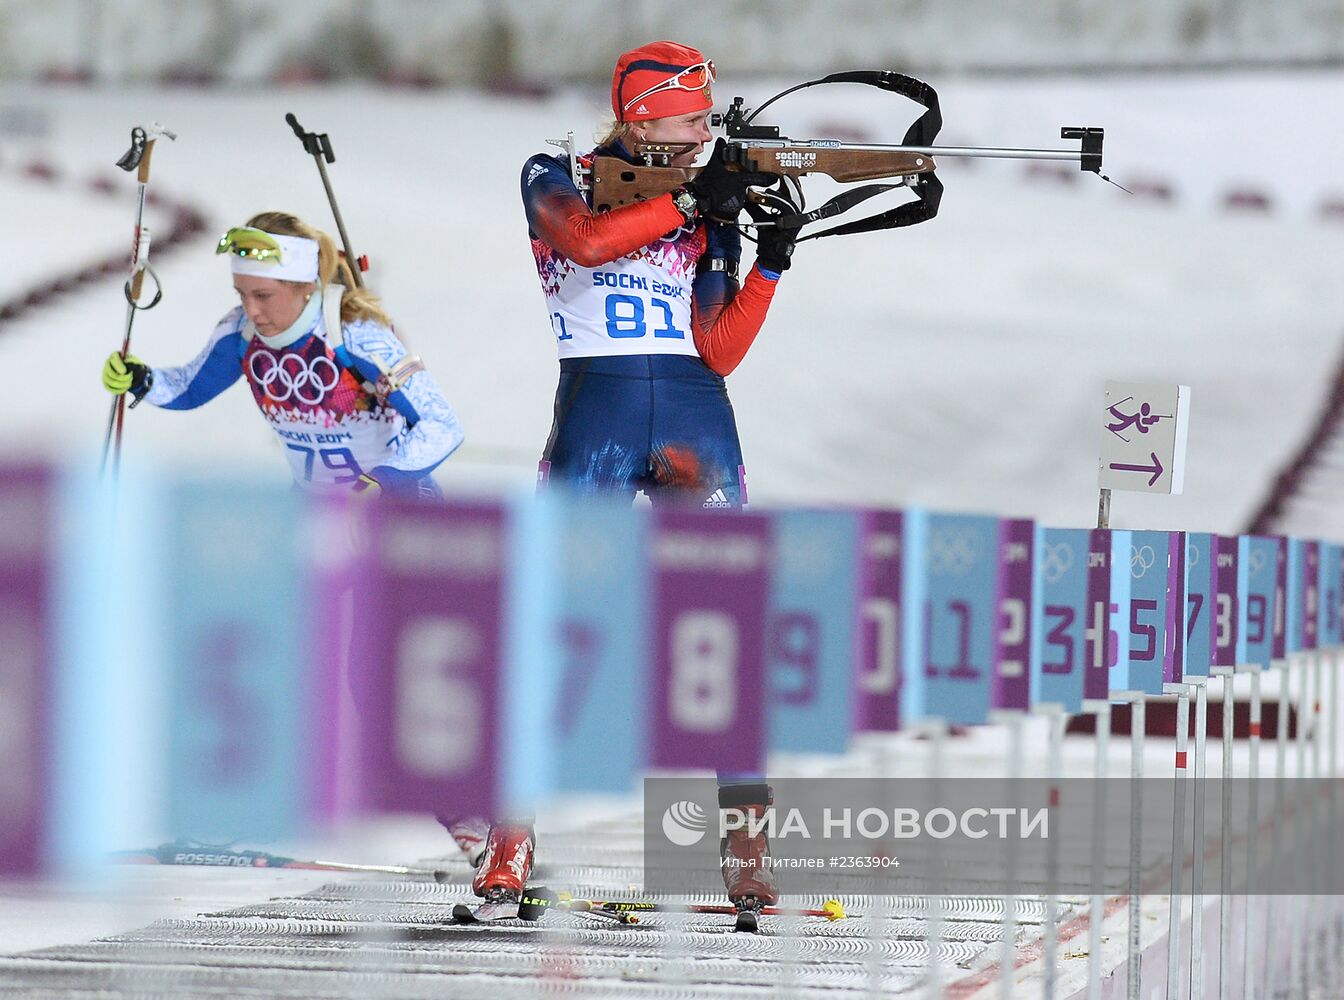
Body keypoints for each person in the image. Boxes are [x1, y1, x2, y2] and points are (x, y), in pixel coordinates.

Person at [460, 41, 796, 911]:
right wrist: (690, 195)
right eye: (692, 120)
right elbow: (586, 239)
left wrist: (768, 259)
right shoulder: (557, 171)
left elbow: (718, 347)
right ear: (643, 116)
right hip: (598, 409)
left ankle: (746, 847)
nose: (706, 134)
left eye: (710, 119)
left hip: (693, 412)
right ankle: (510, 840)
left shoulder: (708, 195)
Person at [101, 211, 463, 497]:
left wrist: (378, 482)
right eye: (241, 294)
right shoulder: (241, 333)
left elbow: (441, 425)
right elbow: (188, 389)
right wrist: (140, 379)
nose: (251, 310)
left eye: (263, 296)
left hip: (397, 515)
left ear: (305, 285)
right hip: (317, 518)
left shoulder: (355, 335)